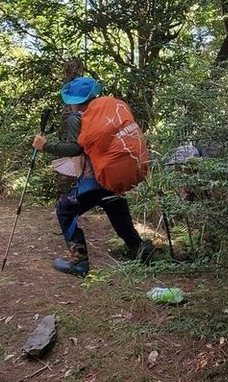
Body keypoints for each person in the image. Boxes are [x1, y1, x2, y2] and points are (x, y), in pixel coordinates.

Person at [32, 76, 153, 277]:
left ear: (74, 101)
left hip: (95, 178)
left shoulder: (77, 117)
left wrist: (45, 145)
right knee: (118, 213)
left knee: (65, 209)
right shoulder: (107, 111)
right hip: (112, 175)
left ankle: (78, 261)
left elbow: (75, 148)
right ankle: (141, 251)